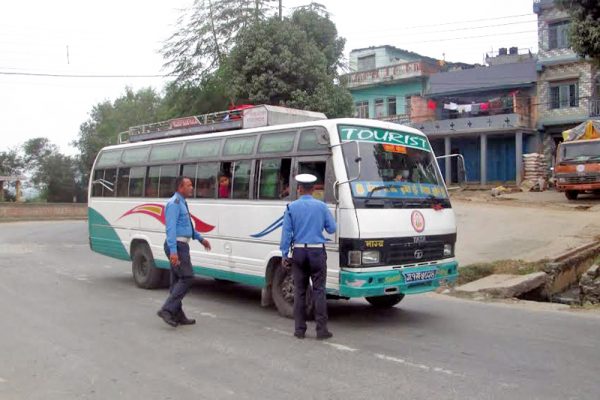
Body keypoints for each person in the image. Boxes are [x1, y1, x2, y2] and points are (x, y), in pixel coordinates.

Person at [279, 174, 337, 340]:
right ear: (314, 189)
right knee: (319, 290)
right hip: (317, 252)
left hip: (299, 252)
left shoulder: (291, 207)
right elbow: (332, 228)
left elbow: (286, 234)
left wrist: (284, 254)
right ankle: (321, 330)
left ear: (299, 189)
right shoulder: (321, 206)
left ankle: (299, 330)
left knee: (299, 291)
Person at [157, 176, 211, 327]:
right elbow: (171, 229)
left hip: (182, 245)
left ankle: (178, 315)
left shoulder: (182, 202)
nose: (192, 188)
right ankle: (167, 309)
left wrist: (200, 239)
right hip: (177, 247)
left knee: (176, 282)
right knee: (187, 277)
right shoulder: (174, 203)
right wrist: (174, 252)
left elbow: (188, 227)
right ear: (180, 187)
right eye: (189, 185)